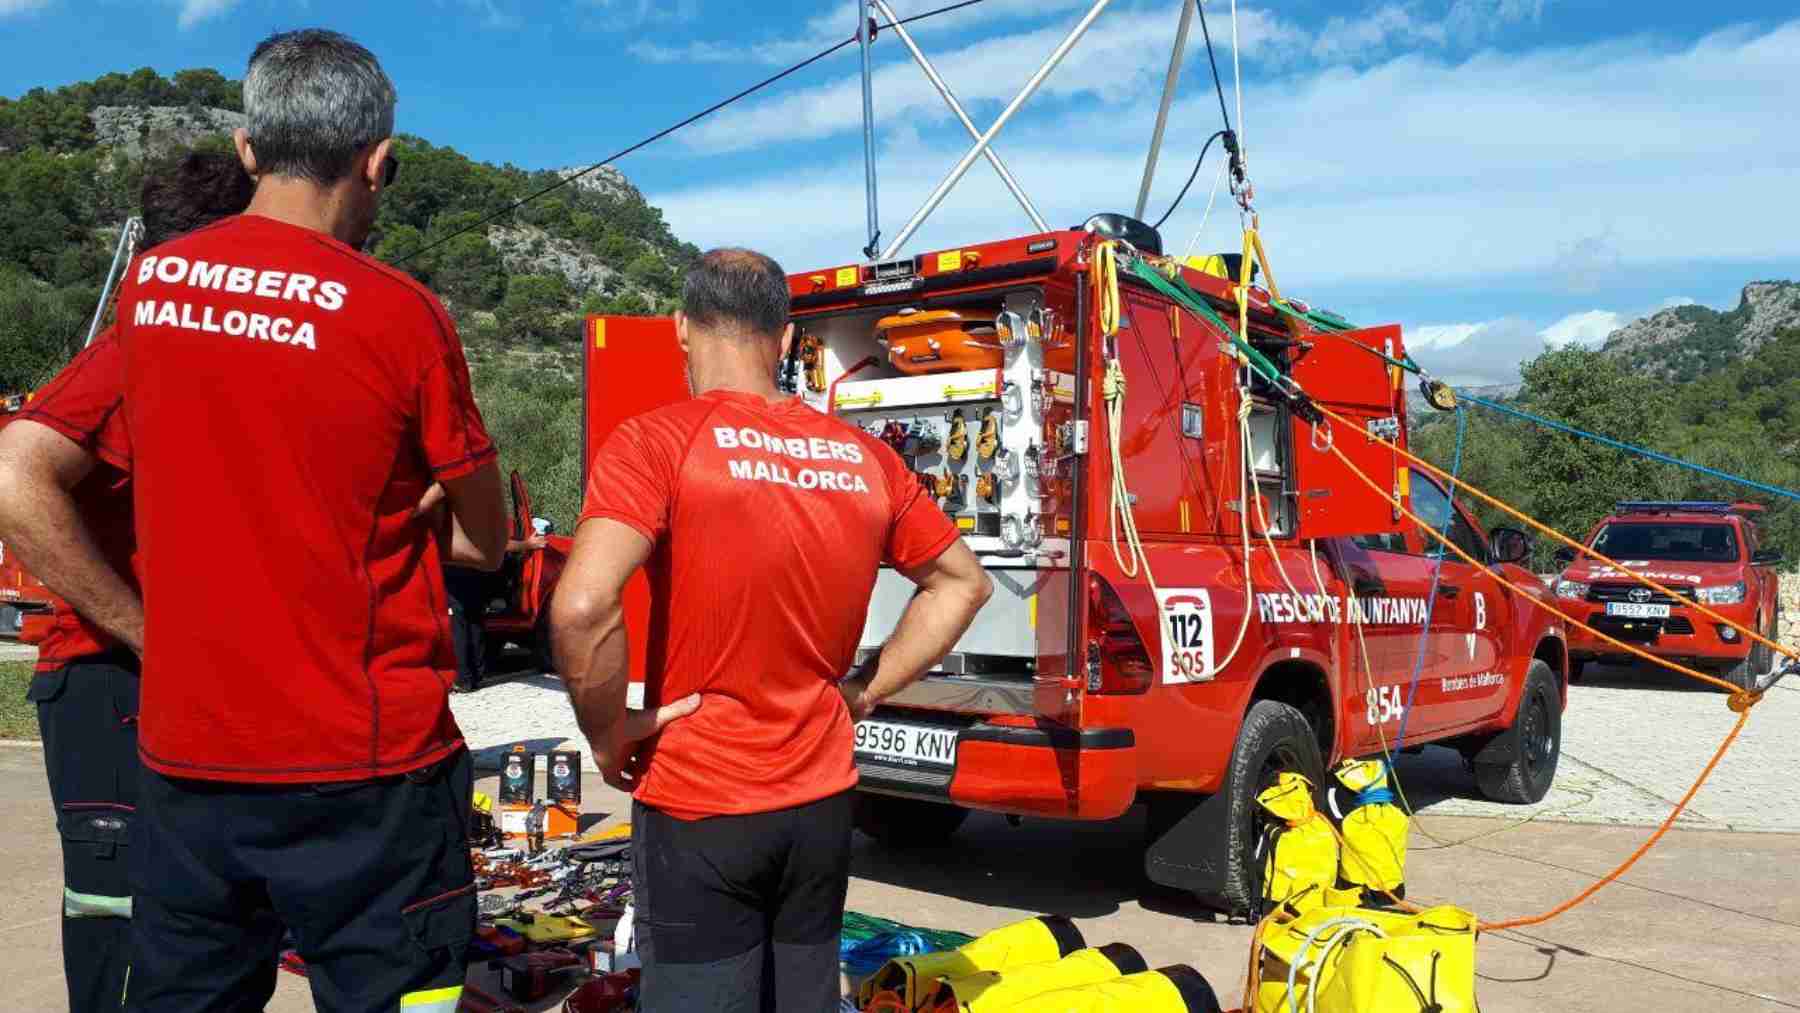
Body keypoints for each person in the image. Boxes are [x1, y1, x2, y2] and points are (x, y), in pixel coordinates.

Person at [0, 29, 508, 1013]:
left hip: (194, 769)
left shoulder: (154, 290)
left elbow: (18, 470)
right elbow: (486, 542)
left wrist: (145, 631)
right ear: (378, 162)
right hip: (372, 774)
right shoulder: (403, 314)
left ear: (247, 150)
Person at [552, 248, 992, 1012]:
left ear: (681, 329)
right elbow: (964, 581)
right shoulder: (864, 458)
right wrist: (865, 689)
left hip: (702, 800)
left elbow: (583, 605)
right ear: (785, 340)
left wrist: (608, 731)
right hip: (820, 804)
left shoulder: (656, 440)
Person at [0, 150, 251, 1013]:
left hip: (181, 682)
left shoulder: (225, 359)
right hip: (111, 680)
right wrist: (147, 632)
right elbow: (11, 479)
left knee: (199, 923)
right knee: (121, 927)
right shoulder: (136, 349)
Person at [416, 482, 550, 689]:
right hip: (473, 572)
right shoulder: (474, 512)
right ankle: (477, 674)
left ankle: (463, 679)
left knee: (459, 621)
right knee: (474, 619)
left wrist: (526, 545)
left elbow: (496, 544)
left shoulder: (456, 516)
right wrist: (527, 545)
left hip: (455, 571)